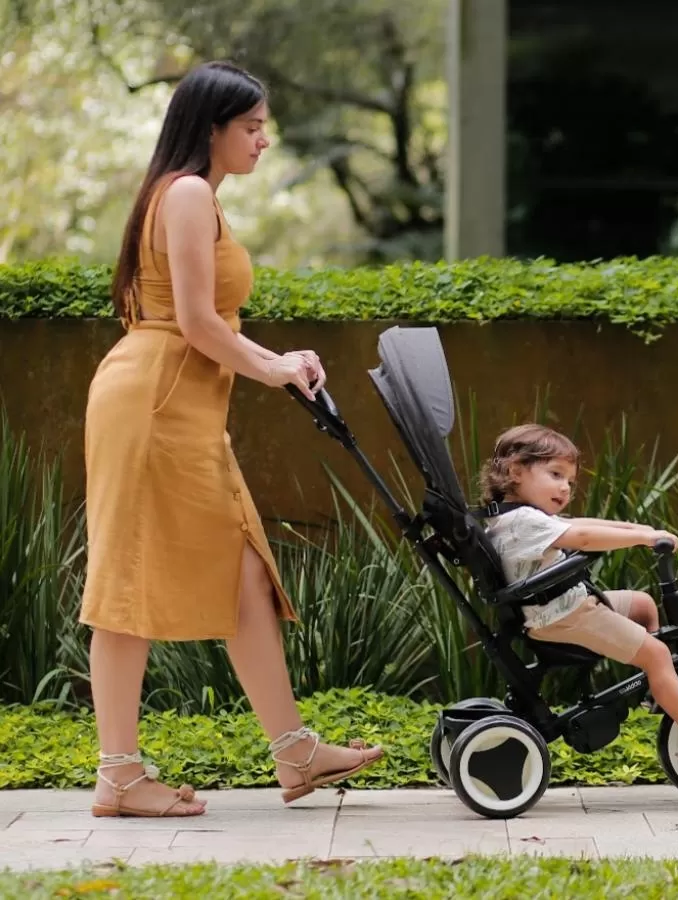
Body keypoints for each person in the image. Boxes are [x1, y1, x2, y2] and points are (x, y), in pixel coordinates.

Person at [80, 61, 383, 818]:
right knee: (128, 581)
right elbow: (196, 322)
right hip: (154, 404)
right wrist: (276, 366)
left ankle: (294, 751)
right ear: (209, 128)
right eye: (251, 126)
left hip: (176, 403)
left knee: (245, 570)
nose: (264, 139)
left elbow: (207, 327)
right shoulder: (184, 194)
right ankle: (118, 776)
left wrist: (275, 363)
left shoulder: (192, 197)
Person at [480, 423, 678, 769]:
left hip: (568, 605)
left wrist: (640, 530)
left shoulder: (518, 517)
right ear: (516, 471)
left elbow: (581, 523)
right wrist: (643, 540)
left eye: (570, 481)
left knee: (642, 604)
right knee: (656, 653)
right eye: (556, 474)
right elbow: (585, 538)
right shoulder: (525, 523)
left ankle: (660, 688)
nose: (565, 487)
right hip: (564, 618)